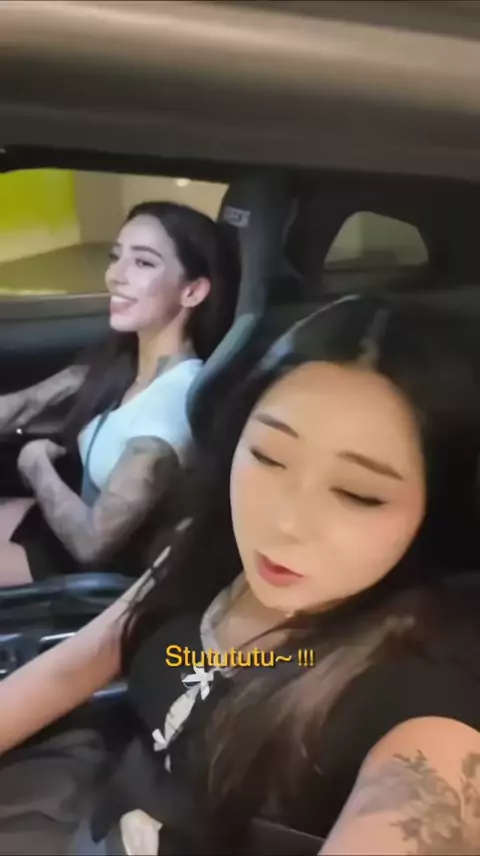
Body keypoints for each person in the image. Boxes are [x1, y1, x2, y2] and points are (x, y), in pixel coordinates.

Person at [1, 295, 480, 855]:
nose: (283, 522)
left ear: (437, 507)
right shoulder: (210, 550)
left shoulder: (427, 689)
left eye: (358, 493)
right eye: (269, 457)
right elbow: (85, 657)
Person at [0, 201, 239, 585]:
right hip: (52, 523)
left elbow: (91, 545)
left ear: (192, 291)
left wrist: (35, 464)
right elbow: (22, 405)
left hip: (76, 567)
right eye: (116, 257)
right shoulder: (122, 365)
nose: (115, 276)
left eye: (142, 262)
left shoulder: (165, 418)